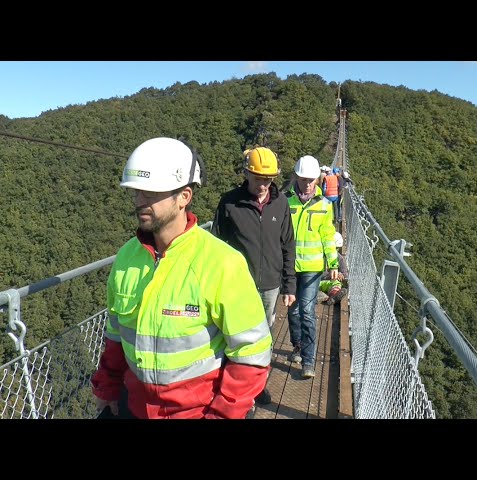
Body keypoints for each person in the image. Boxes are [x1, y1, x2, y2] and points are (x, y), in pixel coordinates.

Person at [91, 137, 272, 419]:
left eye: (151, 193)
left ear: (184, 197)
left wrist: (221, 414)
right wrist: (107, 388)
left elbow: (252, 354)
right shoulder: (126, 258)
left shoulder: (222, 263)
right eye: (137, 191)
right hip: (135, 407)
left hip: (196, 413)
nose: (140, 201)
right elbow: (116, 336)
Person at [213, 146, 296, 406]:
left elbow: (288, 245)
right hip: (238, 285)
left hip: (271, 285)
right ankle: (234, 391)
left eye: (269, 179)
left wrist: (289, 285)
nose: (263, 185)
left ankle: (257, 388)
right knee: (233, 338)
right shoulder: (229, 202)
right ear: (247, 174)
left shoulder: (281, 202)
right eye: (259, 178)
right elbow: (216, 244)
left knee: (264, 339)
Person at [284, 155, 339, 378]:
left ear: (318, 179)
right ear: (297, 176)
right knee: (293, 310)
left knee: (307, 312)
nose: (307, 183)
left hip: (313, 267)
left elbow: (327, 235)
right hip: (288, 265)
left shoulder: (325, 205)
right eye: (304, 178)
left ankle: (309, 361)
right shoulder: (284, 200)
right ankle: (297, 345)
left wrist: (333, 262)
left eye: (311, 179)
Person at [319, 232, 348, 305]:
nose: (336, 250)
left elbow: (345, 273)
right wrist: (330, 274)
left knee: (336, 283)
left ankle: (333, 297)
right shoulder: (318, 255)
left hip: (327, 282)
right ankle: (320, 295)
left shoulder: (339, 258)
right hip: (315, 281)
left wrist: (341, 275)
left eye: (337, 248)